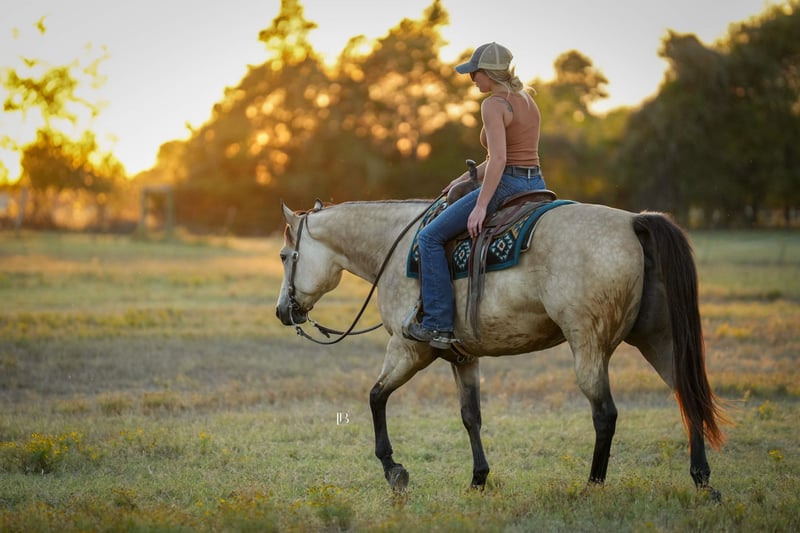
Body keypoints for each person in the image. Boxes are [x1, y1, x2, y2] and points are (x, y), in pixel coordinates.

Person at [405, 42, 547, 349]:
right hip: (535, 182)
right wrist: (462, 179)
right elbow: (507, 157)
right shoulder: (526, 98)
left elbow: (499, 161)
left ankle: (439, 325)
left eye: (475, 73)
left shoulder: (493, 105)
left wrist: (481, 206)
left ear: (490, 73)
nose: (472, 79)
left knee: (429, 237)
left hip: (507, 184)